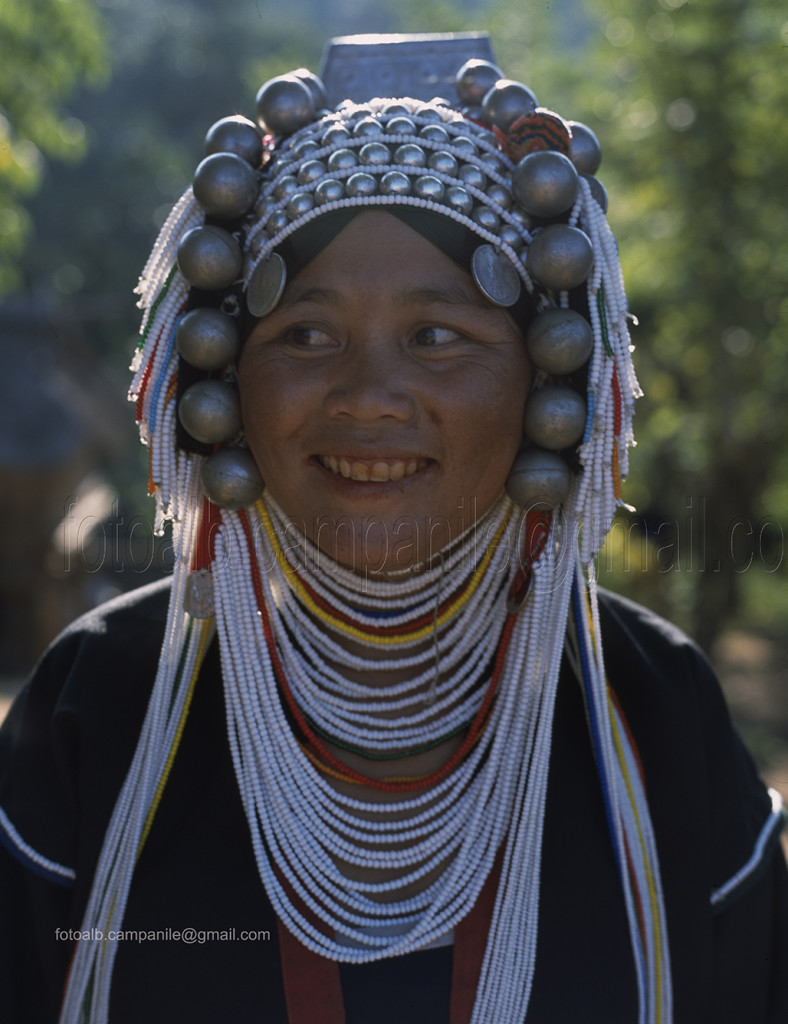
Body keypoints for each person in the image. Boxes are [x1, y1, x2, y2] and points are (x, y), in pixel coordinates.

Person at [1, 32, 786, 1024]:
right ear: (227, 384)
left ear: (547, 379)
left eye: (436, 336)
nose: (368, 396)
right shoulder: (101, 708)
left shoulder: (653, 715)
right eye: (306, 335)